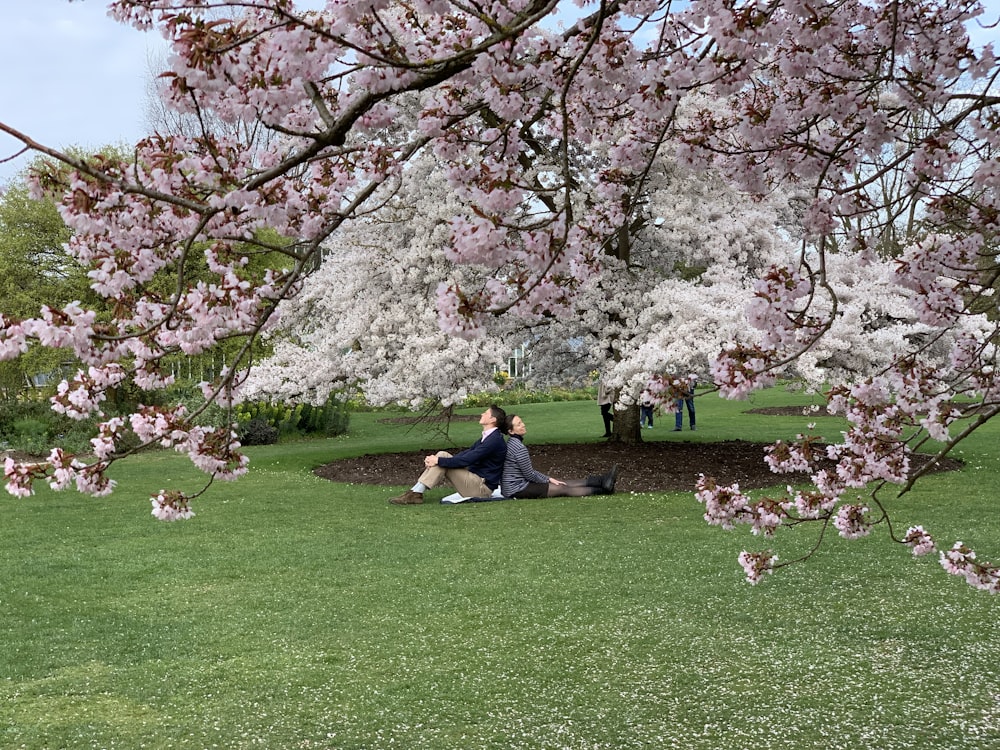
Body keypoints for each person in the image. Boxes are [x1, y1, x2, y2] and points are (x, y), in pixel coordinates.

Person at [388, 404, 508, 505]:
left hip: (482, 488)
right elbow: (467, 454)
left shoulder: (494, 440)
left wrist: (438, 461)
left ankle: (415, 493)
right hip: (476, 481)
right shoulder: (489, 437)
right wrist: (436, 460)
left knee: (441, 459)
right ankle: (415, 492)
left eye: (486, 413)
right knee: (442, 455)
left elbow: (468, 459)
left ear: (493, 420)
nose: (482, 414)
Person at [499, 414, 619, 499]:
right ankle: (603, 489)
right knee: (562, 488)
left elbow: (528, 473)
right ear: (511, 431)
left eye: (521, 421)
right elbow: (529, 474)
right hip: (516, 489)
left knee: (561, 483)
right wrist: (548, 479)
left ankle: (602, 480)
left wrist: (549, 479)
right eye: (519, 424)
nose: (523, 425)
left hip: (519, 484)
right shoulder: (518, 448)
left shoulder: (513, 443)